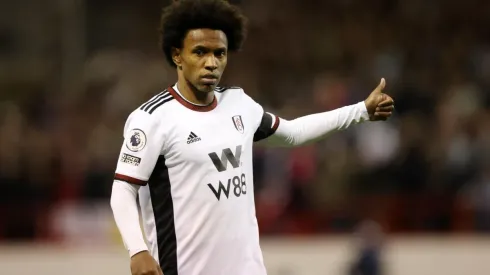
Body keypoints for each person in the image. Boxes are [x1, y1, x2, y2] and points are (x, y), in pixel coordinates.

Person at [109, 0, 395, 274]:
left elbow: (293, 134)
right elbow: (123, 190)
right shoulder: (151, 119)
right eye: (199, 52)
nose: (211, 63)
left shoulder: (239, 105)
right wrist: (138, 250)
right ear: (177, 56)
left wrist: (361, 111)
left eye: (219, 53)